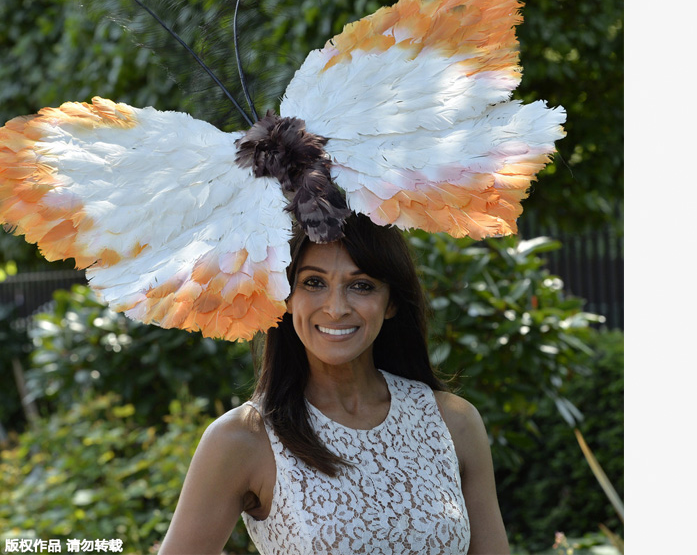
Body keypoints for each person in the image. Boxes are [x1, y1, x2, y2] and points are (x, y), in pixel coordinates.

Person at [158, 214, 510, 554]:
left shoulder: (453, 423)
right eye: (313, 282)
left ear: (391, 303)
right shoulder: (242, 438)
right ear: (286, 296)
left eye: (361, 285)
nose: (336, 307)